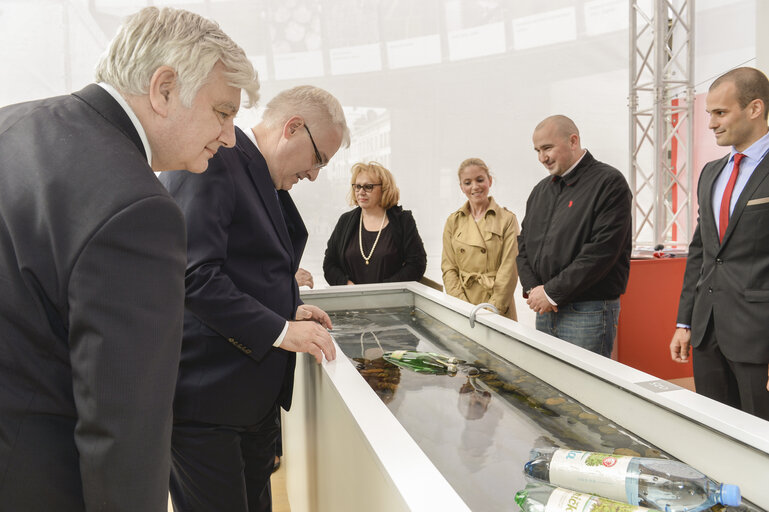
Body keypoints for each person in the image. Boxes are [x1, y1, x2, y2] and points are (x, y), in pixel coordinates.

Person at [0, 7, 258, 511]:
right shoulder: (138, 209)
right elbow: (123, 429)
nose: (229, 136)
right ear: (164, 89)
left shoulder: (13, 124)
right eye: (223, 112)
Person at [159, 85, 348, 512]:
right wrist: (282, 330)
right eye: (318, 159)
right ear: (293, 128)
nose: (315, 174)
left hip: (247, 404)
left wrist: (287, 306)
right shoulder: (212, 159)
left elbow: (242, 267)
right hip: (207, 405)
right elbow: (193, 276)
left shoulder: (256, 172)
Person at [670, 67, 769, 420]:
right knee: (716, 432)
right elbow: (701, 252)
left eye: (720, 112)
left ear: (755, 108)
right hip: (707, 334)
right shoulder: (711, 172)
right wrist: (685, 323)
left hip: (759, 338)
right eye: (709, 113)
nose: (710, 123)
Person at [517, 116, 632, 357]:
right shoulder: (540, 190)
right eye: (537, 150)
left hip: (587, 311)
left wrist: (550, 293)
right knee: (550, 388)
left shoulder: (609, 183)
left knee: (585, 391)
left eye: (547, 148)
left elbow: (601, 252)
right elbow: (524, 245)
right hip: (546, 310)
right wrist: (534, 289)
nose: (542, 158)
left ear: (573, 141)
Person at [323, 161, 427, 285]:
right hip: (352, 300)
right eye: (357, 186)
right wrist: (346, 285)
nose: (361, 192)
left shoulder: (403, 221)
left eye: (368, 187)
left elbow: (417, 264)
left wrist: (385, 289)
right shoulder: (345, 221)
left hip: (391, 300)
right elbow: (329, 264)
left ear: (384, 188)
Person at [441, 157, 520, 320]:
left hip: (497, 305)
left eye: (480, 180)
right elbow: (448, 268)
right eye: (468, 182)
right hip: (463, 305)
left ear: (489, 181)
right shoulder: (453, 222)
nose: (475, 187)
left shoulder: (507, 219)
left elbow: (510, 269)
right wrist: (462, 306)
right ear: (461, 187)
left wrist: (491, 311)